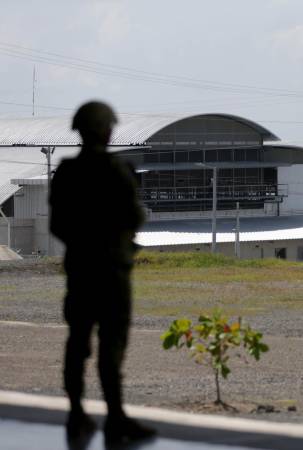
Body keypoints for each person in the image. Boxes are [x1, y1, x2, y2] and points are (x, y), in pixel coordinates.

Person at [50, 101, 156, 445]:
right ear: (108, 131)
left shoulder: (66, 172)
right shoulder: (117, 170)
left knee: (77, 342)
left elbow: (58, 225)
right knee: (112, 346)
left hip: (81, 271)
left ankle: (76, 413)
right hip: (112, 272)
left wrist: (83, 244)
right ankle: (115, 417)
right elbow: (135, 217)